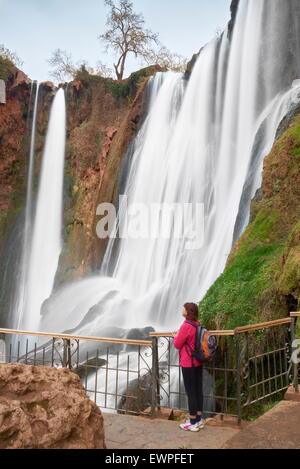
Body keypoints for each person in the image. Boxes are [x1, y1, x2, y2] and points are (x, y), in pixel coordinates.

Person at [172, 302, 204, 432]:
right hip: (198, 362)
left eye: (183, 308)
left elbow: (177, 345)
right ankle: (199, 419)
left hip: (188, 363)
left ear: (187, 312)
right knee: (198, 391)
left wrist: (175, 337)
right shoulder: (197, 324)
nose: (182, 310)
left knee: (191, 393)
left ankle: (192, 422)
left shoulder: (186, 325)